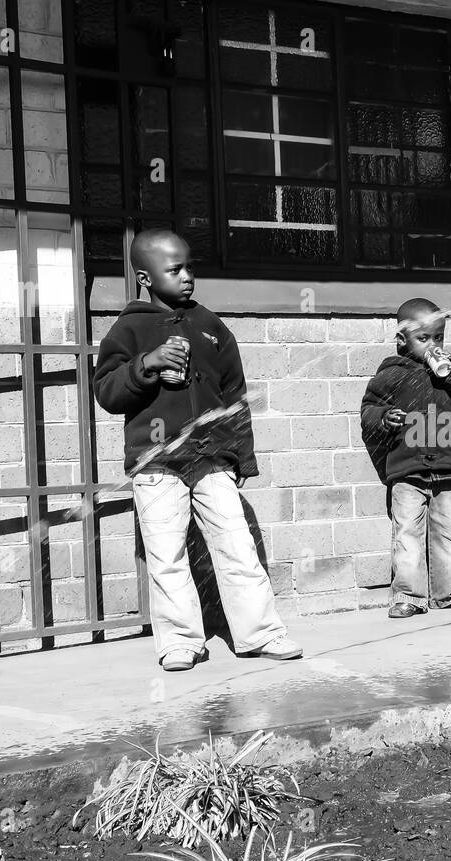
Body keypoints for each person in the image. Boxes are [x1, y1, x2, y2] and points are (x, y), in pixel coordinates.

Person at [94, 229, 302, 671]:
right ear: (144, 277)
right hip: (156, 462)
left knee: (236, 545)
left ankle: (260, 633)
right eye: (175, 270)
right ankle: (180, 642)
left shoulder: (211, 326)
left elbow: (235, 396)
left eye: (190, 267)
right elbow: (108, 393)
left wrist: (241, 456)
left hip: (211, 460)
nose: (187, 276)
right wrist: (145, 365)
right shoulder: (128, 328)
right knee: (166, 554)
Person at [360, 298, 451, 618]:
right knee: (407, 536)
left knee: (449, 533)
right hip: (408, 470)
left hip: (447, 469)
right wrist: (384, 417)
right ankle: (407, 596)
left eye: (439, 337)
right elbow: (368, 412)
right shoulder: (391, 375)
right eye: (424, 338)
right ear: (402, 339)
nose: (433, 345)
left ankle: (450, 591)